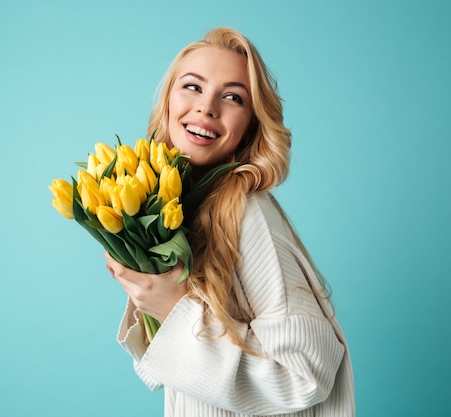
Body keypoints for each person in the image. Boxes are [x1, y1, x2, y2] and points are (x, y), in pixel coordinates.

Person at [104, 27, 355, 417]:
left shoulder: (249, 214)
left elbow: (305, 375)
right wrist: (150, 291)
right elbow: (170, 370)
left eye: (233, 97)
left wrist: (173, 309)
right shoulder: (177, 210)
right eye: (192, 87)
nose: (206, 108)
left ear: (251, 125)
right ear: (168, 101)